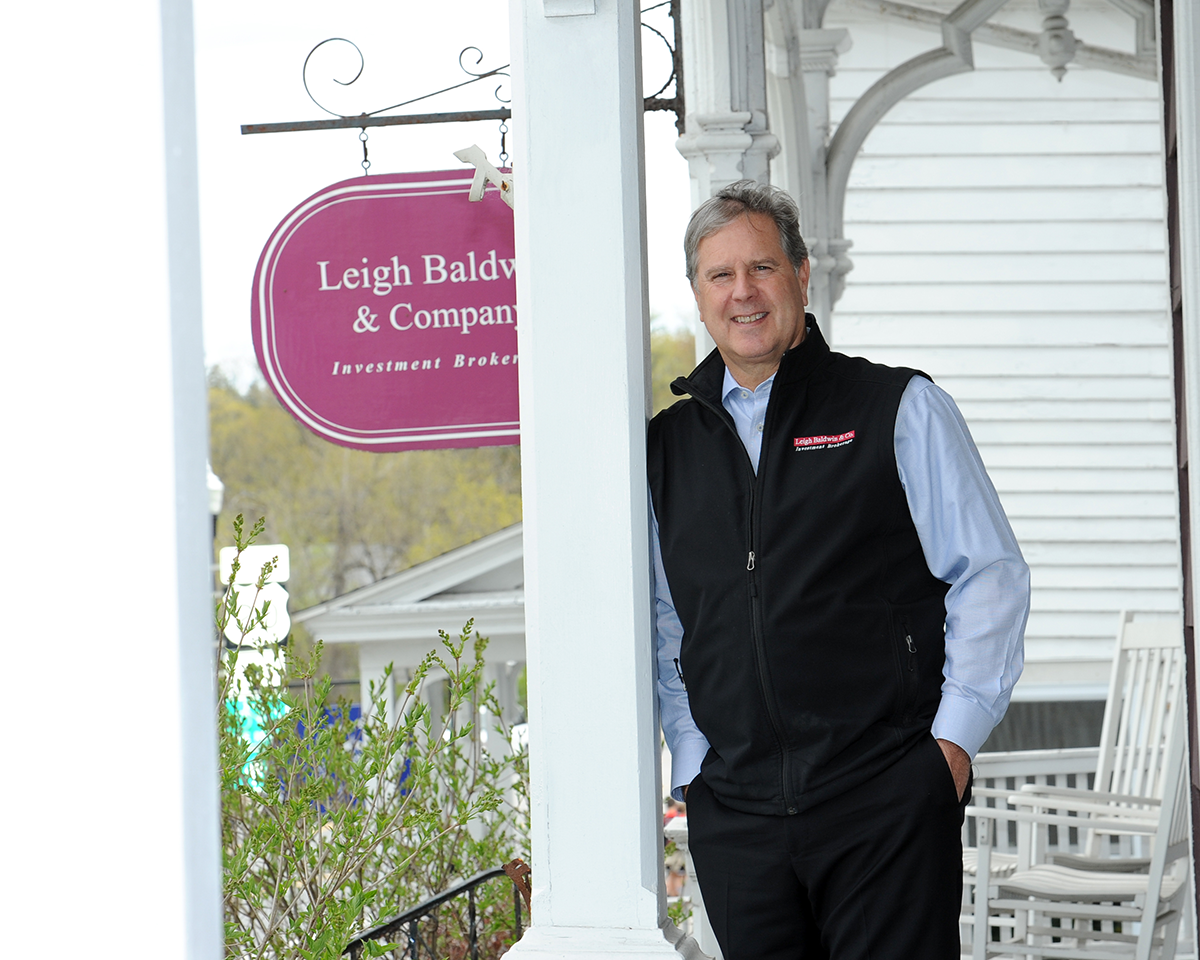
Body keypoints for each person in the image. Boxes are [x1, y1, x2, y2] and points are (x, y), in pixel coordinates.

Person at [648, 180, 1029, 960]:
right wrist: (693, 763)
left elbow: (988, 574)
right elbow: (665, 616)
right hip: (739, 816)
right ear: (697, 293)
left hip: (882, 799)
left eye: (762, 267)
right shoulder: (667, 448)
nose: (743, 292)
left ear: (801, 275)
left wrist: (948, 750)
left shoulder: (896, 407)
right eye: (720, 275)